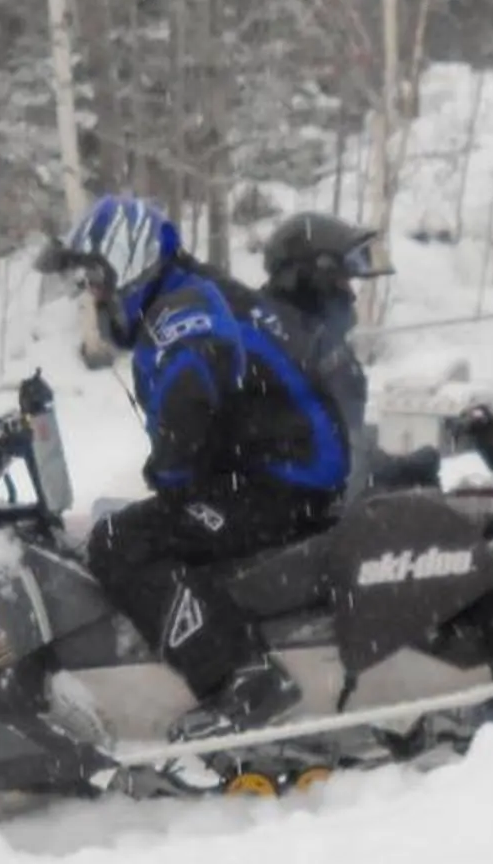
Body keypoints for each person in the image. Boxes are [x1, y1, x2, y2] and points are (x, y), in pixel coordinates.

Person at [51, 193, 351, 741]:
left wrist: (170, 480)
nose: (94, 296)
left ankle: (245, 679)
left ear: (129, 260)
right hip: (283, 469)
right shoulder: (191, 294)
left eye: (97, 280)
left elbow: (191, 401)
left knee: (120, 541)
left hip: (285, 479)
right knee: (130, 521)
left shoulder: (182, 310)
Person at [259, 211, 442, 494]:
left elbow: (343, 440)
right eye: (344, 282)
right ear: (316, 279)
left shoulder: (309, 338)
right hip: (298, 518)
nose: (352, 295)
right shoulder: (290, 348)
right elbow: (321, 462)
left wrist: (394, 469)